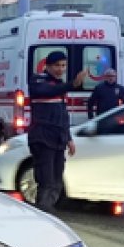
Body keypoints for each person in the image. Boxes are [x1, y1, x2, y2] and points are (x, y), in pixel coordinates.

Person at [28, 51, 82, 213]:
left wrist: (69, 139)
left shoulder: (59, 86)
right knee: (47, 181)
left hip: (58, 139)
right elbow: (46, 92)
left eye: (63, 65)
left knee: (57, 181)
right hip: (42, 138)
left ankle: (47, 211)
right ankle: (43, 215)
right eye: (57, 65)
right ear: (48, 66)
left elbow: (62, 115)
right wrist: (72, 84)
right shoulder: (38, 80)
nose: (60, 69)